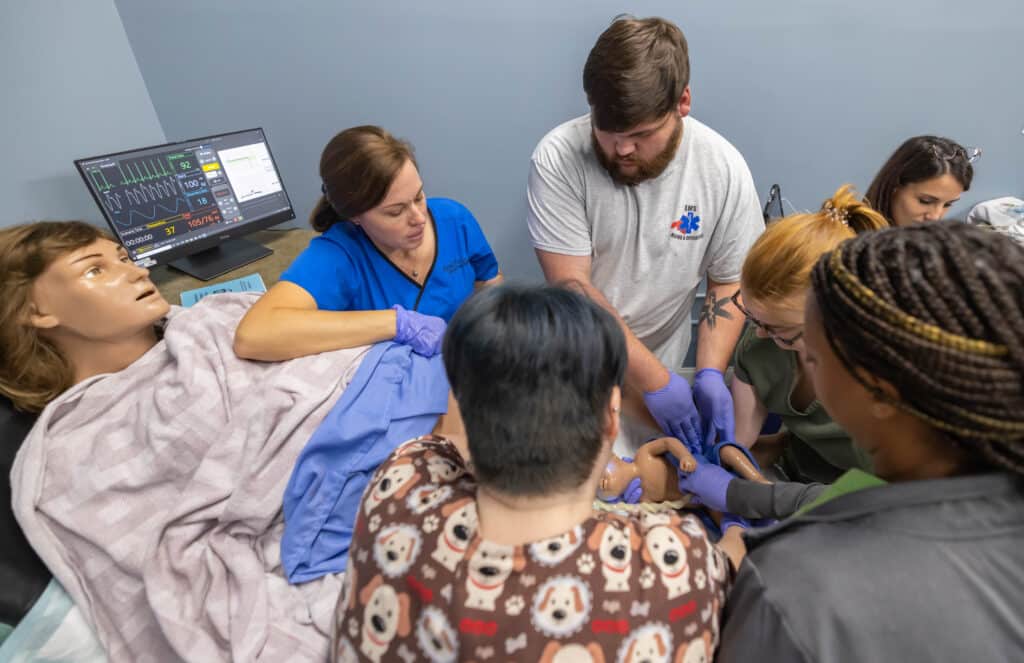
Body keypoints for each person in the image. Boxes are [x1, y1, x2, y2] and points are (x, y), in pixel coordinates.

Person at [331, 285, 743, 663]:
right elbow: (733, 562)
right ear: (612, 415)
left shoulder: (402, 478)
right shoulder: (676, 565)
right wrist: (736, 520)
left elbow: (448, 434)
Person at [715, 222, 1024, 660]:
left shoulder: (794, 589)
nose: (807, 373)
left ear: (878, 389)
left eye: (814, 355)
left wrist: (740, 503)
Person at [526, 16, 764, 455]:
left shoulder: (722, 168)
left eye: (640, 134)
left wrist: (710, 372)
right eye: (609, 132)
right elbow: (572, 286)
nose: (622, 149)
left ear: (683, 102)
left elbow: (729, 280)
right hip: (582, 362)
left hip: (668, 365)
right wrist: (653, 380)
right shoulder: (557, 159)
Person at [234, 125, 502, 361]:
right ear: (355, 216)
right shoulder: (341, 255)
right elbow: (253, 335)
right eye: (396, 212)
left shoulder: (454, 219)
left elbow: (489, 283)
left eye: (419, 197)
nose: (419, 218)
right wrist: (398, 323)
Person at [728, 185, 885, 484]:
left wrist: (760, 496)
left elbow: (886, 492)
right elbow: (739, 441)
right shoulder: (761, 349)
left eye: (781, 330)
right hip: (804, 471)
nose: (760, 333)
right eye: (752, 316)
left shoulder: (879, 381)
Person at [865, 135, 974, 227]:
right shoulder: (851, 243)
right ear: (893, 187)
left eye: (947, 204)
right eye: (925, 201)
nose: (935, 217)